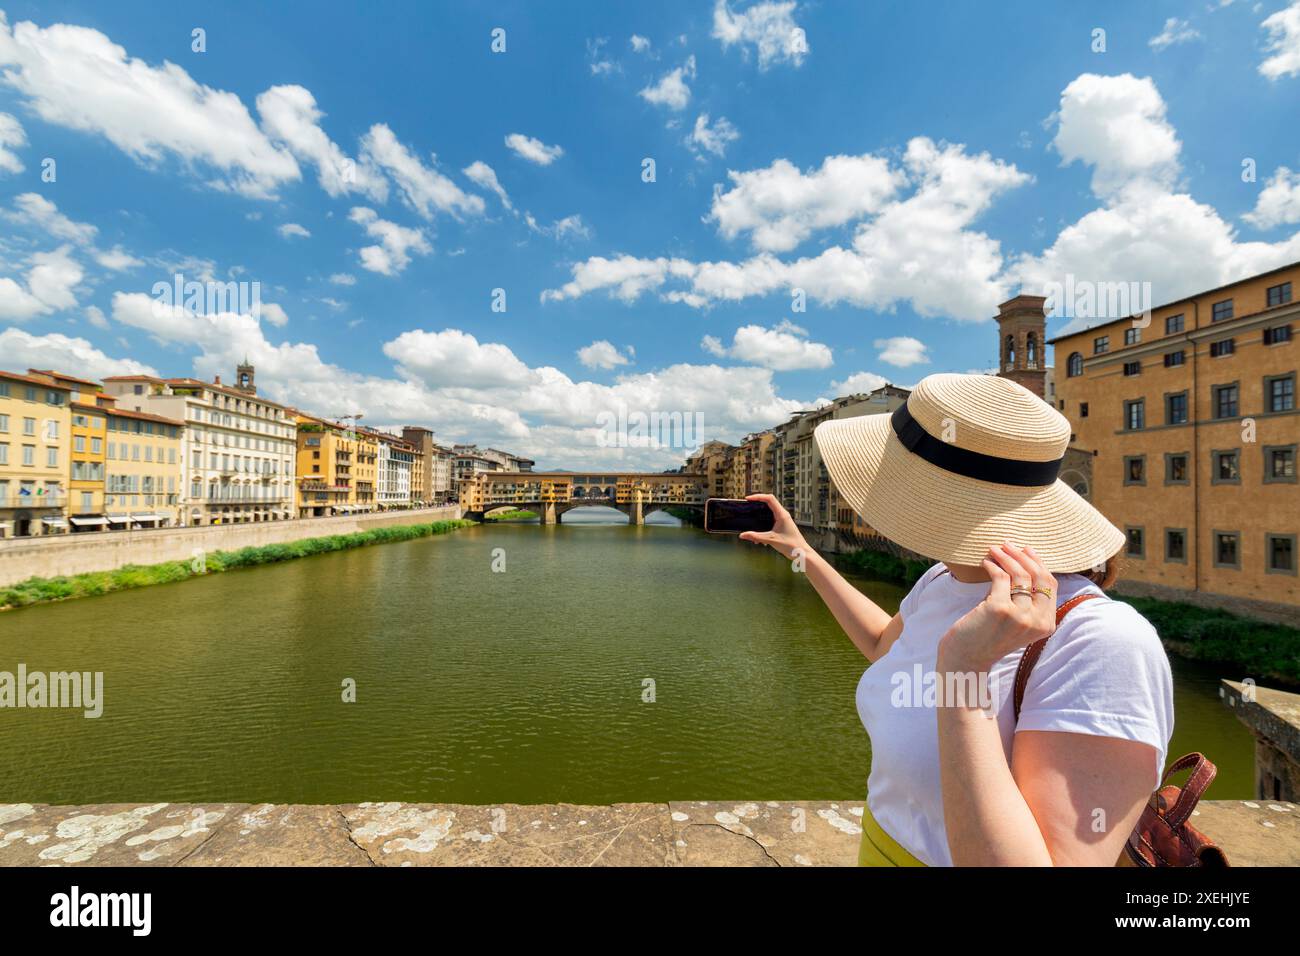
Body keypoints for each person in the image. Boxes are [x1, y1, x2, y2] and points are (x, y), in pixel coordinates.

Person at [741, 373, 1173, 866]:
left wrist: (964, 668)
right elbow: (886, 645)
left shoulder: (1102, 643)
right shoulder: (943, 578)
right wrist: (803, 554)